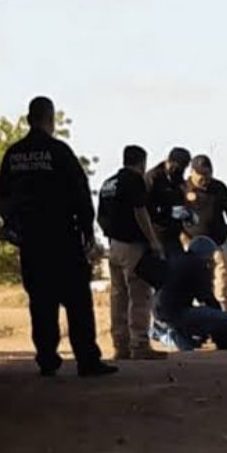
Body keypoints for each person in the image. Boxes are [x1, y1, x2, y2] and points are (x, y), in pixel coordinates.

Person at [0, 96, 117, 377]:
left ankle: (47, 359)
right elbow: (80, 192)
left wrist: (11, 227)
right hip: (62, 237)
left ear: (29, 119)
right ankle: (87, 359)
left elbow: (4, 197)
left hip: (31, 240)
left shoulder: (13, 155)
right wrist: (88, 230)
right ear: (50, 120)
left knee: (41, 301)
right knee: (77, 300)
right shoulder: (59, 151)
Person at [97, 145, 166, 360]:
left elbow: (100, 217)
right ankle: (140, 344)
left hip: (113, 246)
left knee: (118, 297)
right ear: (141, 162)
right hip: (133, 246)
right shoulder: (135, 180)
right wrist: (153, 241)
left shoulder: (108, 183)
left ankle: (121, 346)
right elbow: (140, 211)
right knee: (139, 296)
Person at [154, 236, 227, 350]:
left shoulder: (179, 260)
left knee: (190, 341)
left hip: (160, 311)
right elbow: (207, 298)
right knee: (215, 317)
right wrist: (222, 319)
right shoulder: (198, 266)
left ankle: (165, 331)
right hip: (174, 314)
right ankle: (168, 335)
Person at [181, 155, 227, 312]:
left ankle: (223, 314)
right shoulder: (181, 189)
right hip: (191, 246)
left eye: (208, 174)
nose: (205, 179)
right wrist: (184, 241)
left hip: (217, 244)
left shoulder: (219, 188)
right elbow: (174, 222)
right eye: (201, 175)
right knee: (194, 283)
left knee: (222, 281)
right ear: (192, 172)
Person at [146, 147, 192, 258]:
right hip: (157, 233)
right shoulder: (153, 177)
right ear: (169, 161)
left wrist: (188, 214)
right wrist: (168, 211)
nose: (180, 171)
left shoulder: (177, 177)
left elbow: (181, 199)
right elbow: (146, 207)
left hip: (175, 234)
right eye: (178, 167)